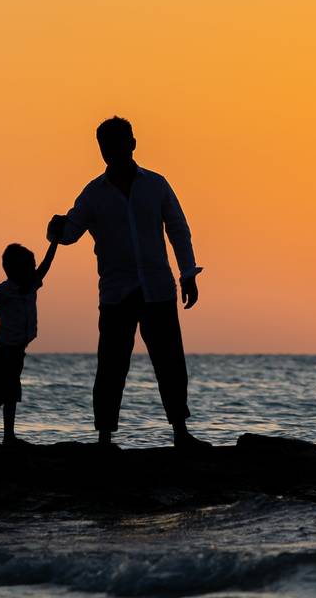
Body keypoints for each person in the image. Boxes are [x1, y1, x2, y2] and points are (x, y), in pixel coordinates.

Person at [48, 116, 210, 450]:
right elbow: (71, 232)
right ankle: (104, 438)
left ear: (132, 144)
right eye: (105, 146)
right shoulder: (93, 194)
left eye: (117, 144)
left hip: (158, 288)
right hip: (116, 292)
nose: (111, 151)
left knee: (170, 363)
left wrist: (188, 273)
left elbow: (178, 229)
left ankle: (180, 432)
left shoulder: (155, 185)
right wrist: (56, 230)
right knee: (111, 366)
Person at [0, 240, 58, 447]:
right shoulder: (4, 290)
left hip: (17, 351)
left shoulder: (31, 285)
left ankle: (8, 436)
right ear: (16, 270)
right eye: (30, 267)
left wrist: (55, 242)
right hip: (4, 352)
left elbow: (46, 265)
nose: (34, 270)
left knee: (11, 394)